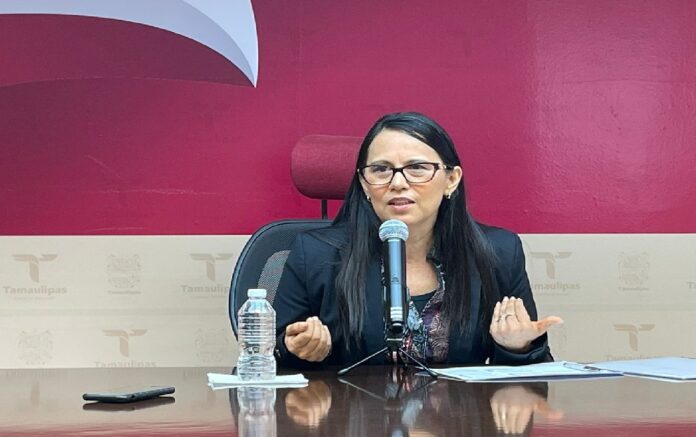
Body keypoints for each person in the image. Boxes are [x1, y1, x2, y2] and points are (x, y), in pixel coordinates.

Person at [274, 112, 563, 369]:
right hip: (350, 411)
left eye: (417, 168)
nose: (398, 183)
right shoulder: (315, 254)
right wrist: (296, 349)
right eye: (381, 170)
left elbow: (533, 372)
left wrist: (518, 347)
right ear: (364, 184)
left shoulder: (499, 252)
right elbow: (270, 355)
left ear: (451, 179)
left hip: (463, 412)